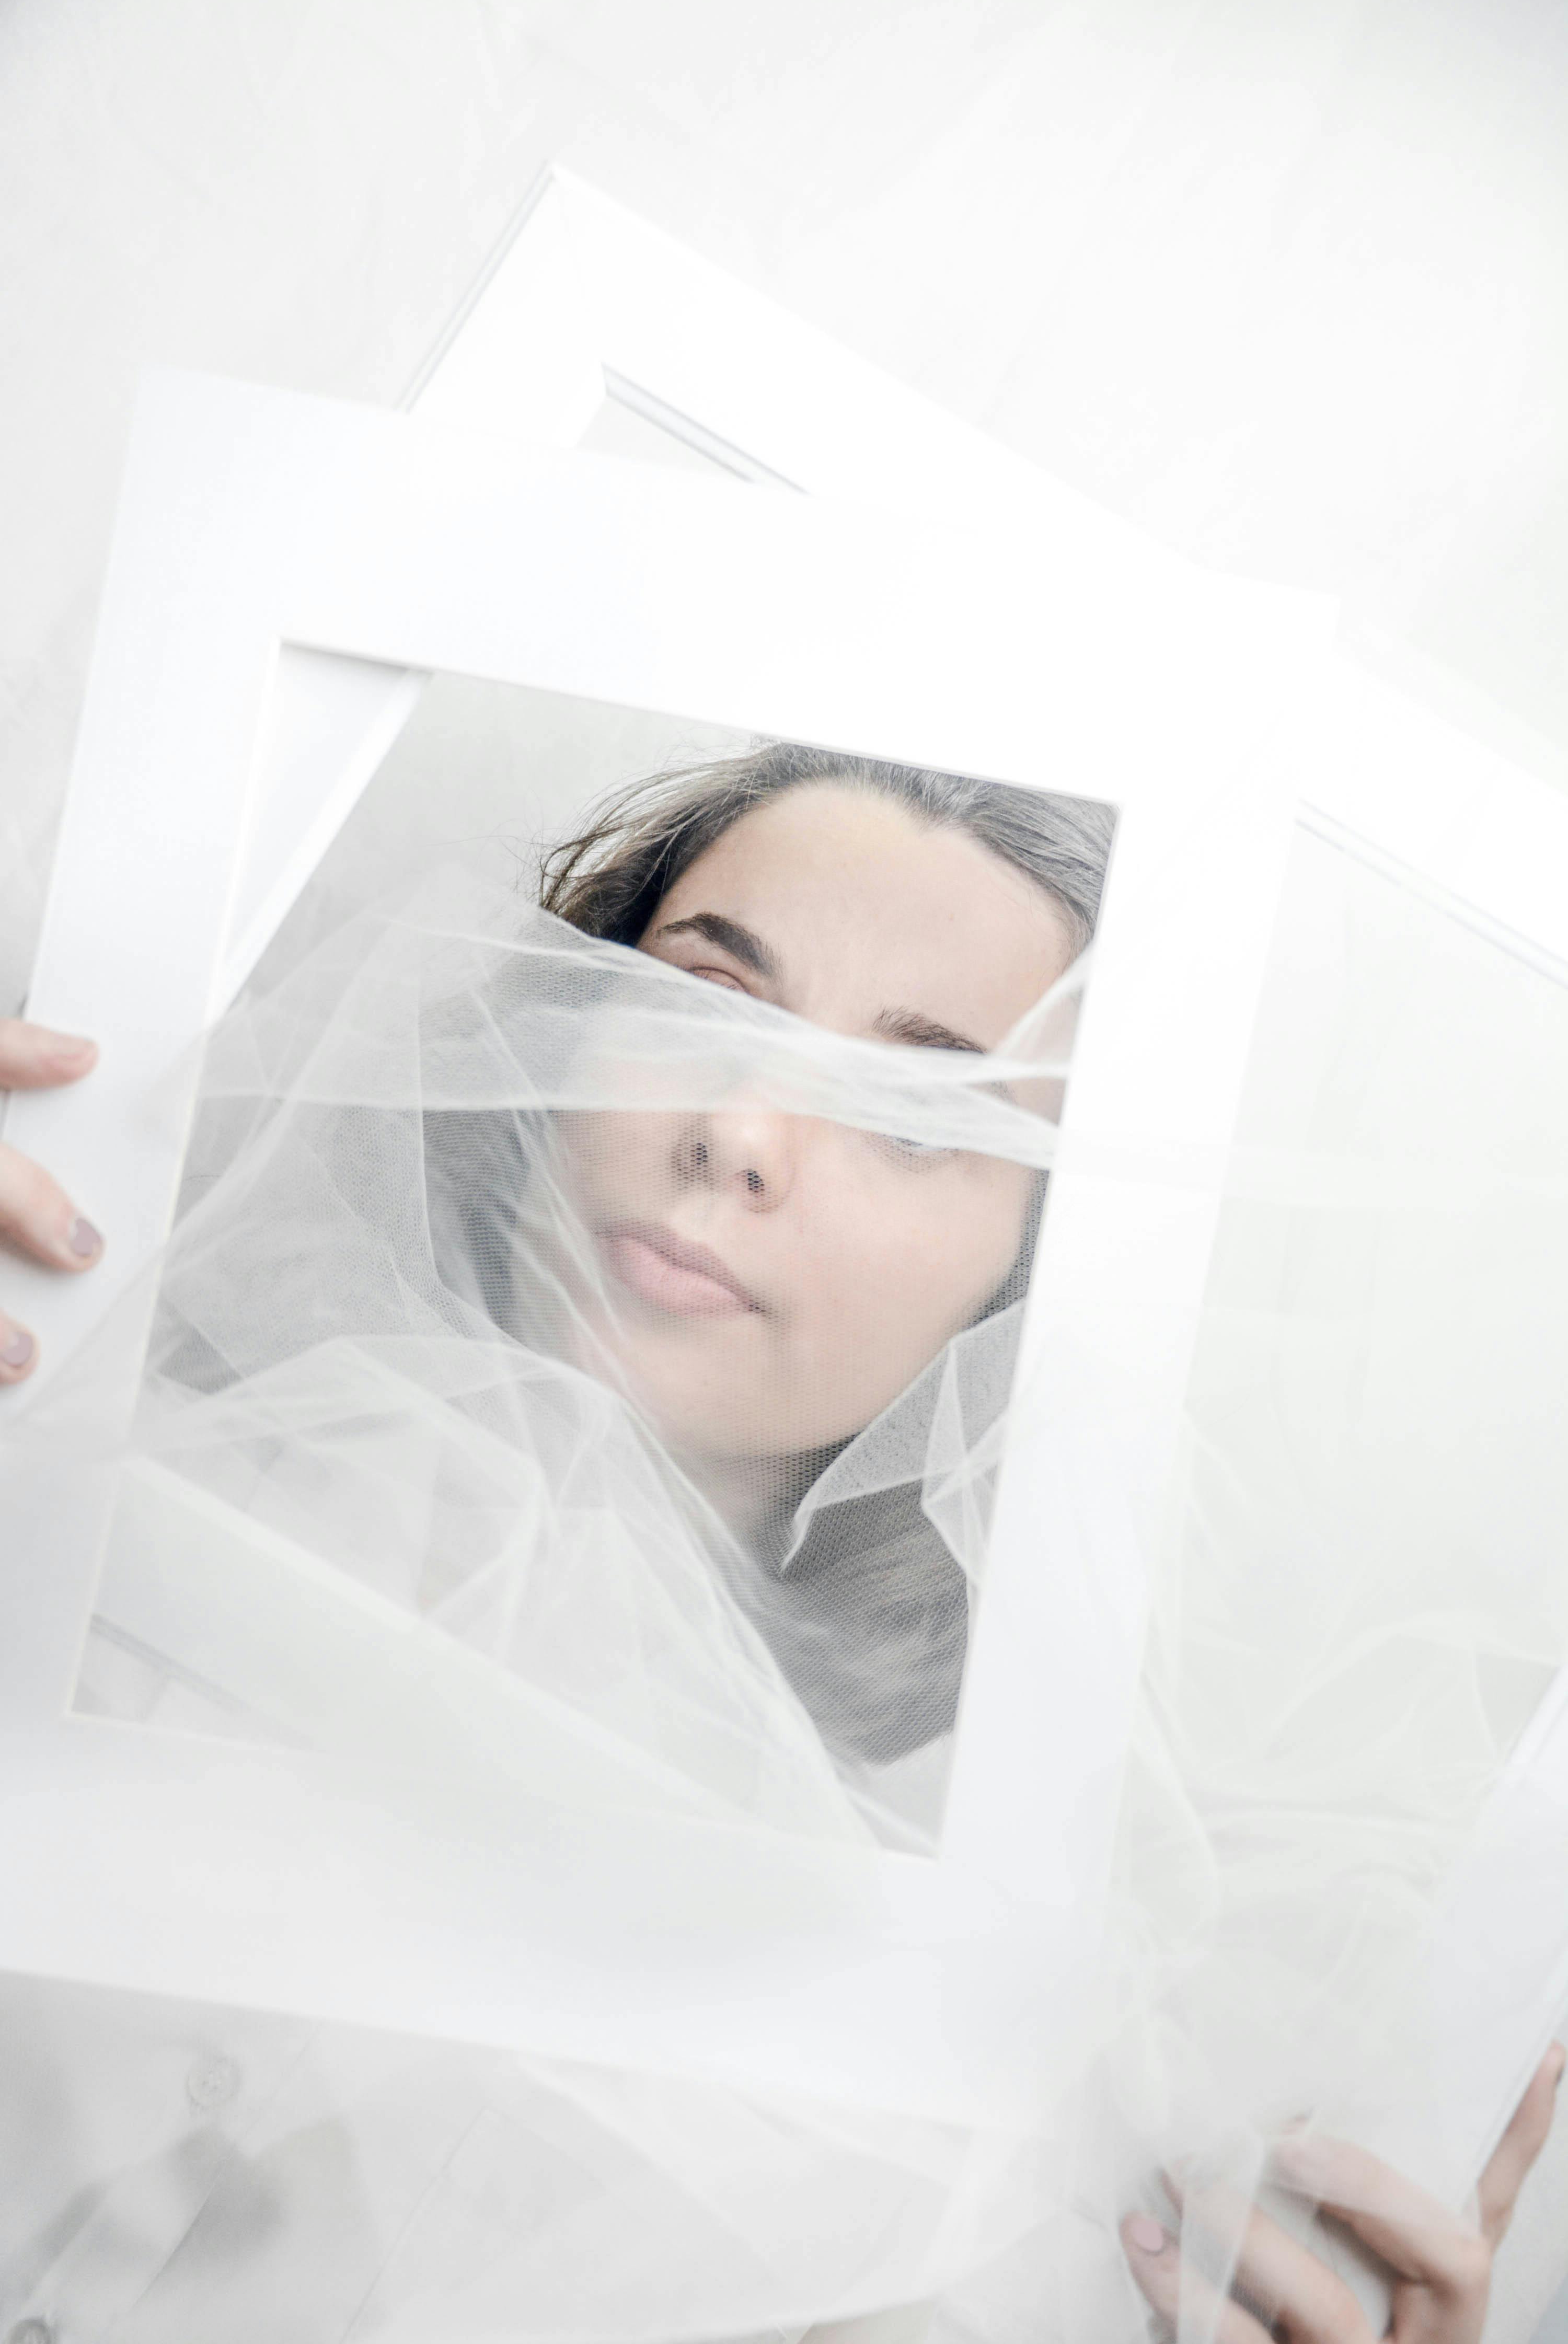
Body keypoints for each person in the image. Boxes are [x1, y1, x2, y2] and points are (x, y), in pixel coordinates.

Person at [0, 744, 1562, 2342]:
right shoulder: (65, 1444)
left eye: (911, 1107)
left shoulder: (1030, 2030)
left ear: (1039, 1275)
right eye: (704, 1006)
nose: (740, 1133)